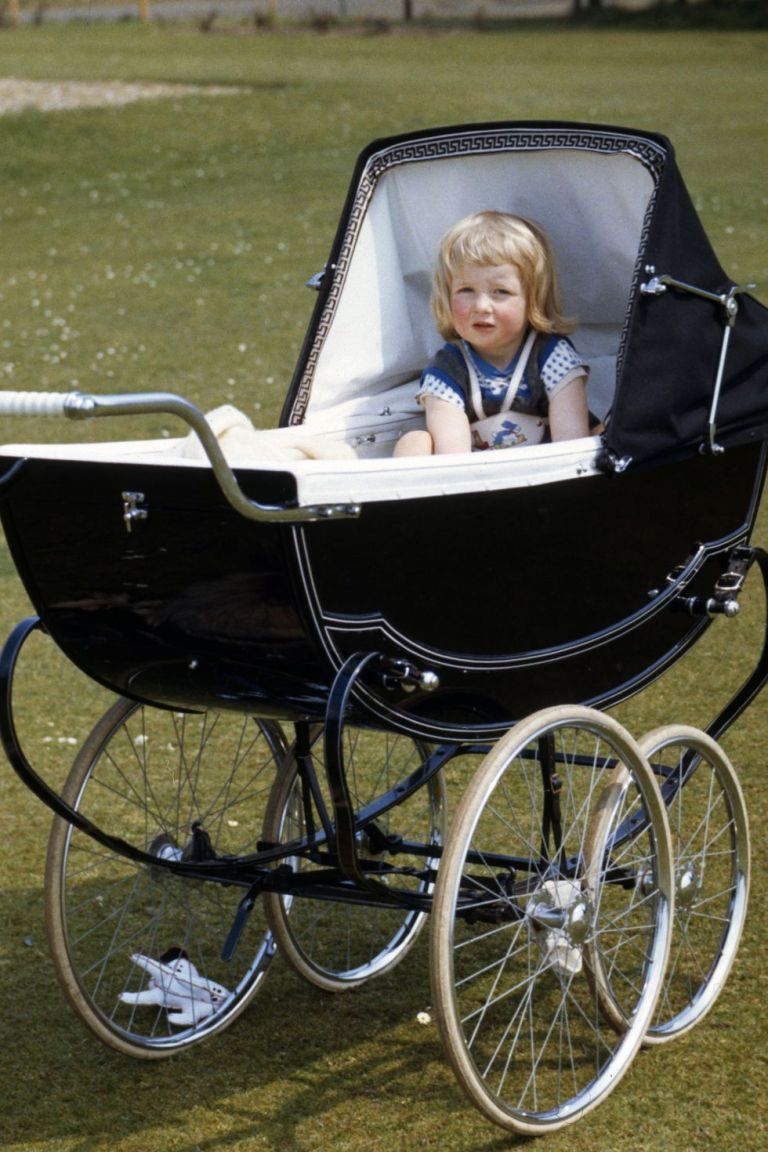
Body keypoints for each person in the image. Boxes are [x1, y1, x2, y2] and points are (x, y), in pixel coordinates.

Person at [394, 211, 591, 456]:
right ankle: (409, 494)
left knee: (604, 434)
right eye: (466, 290)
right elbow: (452, 457)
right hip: (474, 478)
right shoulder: (447, 369)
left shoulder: (552, 355)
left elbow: (572, 445)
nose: (481, 306)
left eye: (501, 291)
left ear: (533, 300)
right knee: (414, 442)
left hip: (549, 473)